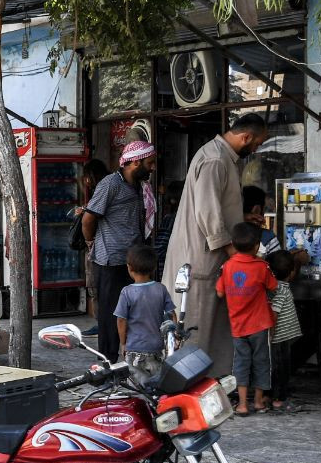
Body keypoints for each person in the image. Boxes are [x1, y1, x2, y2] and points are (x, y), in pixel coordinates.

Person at [160, 113, 270, 375]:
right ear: (246, 137)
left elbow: (214, 205)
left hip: (207, 255)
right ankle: (189, 388)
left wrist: (240, 217)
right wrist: (234, 252)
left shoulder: (222, 157)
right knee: (196, 327)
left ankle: (211, 383)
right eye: (257, 143)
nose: (256, 149)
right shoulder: (215, 159)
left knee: (212, 327)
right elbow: (208, 213)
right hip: (199, 257)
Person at [83, 141, 155, 362]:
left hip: (134, 260)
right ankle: (108, 362)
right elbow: (88, 218)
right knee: (110, 314)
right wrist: (91, 242)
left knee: (133, 312)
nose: (152, 168)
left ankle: (131, 358)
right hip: (110, 261)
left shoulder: (138, 186)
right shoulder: (110, 184)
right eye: (149, 163)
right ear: (135, 162)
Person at [216, 222, 277, 416]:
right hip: (259, 324)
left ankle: (242, 404)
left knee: (241, 363)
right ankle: (258, 402)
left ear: (233, 244)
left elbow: (219, 293)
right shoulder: (261, 266)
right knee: (261, 361)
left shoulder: (227, 266)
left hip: (237, 325)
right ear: (257, 246)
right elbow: (273, 287)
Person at [114, 243, 176, 385]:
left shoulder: (127, 292)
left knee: (137, 388)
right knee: (157, 386)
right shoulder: (160, 289)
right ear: (153, 268)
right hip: (156, 348)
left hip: (134, 348)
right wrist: (174, 337)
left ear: (129, 267)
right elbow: (171, 315)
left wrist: (123, 343)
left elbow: (121, 320)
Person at [73, 159, 109, 326]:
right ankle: (102, 323)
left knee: (95, 287)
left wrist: (89, 242)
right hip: (105, 247)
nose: (85, 181)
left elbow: (88, 221)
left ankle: (101, 323)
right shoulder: (107, 188)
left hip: (98, 245)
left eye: (86, 177)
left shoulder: (104, 188)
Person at [266, 250, 302, 412]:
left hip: (281, 337)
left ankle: (269, 396)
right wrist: (271, 333)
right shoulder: (281, 289)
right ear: (292, 272)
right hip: (279, 338)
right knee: (281, 370)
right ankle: (279, 399)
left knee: (276, 368)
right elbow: (274, 313)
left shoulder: (276, 286)